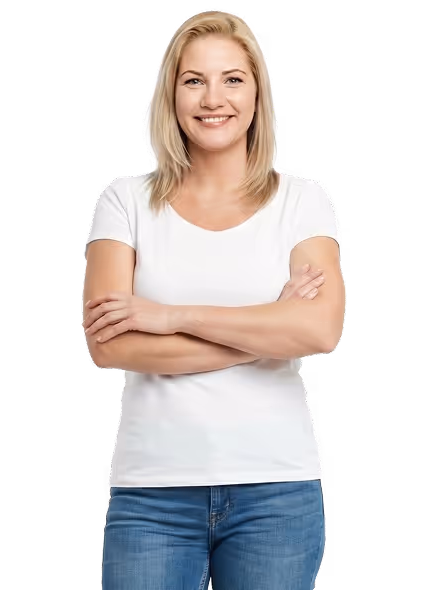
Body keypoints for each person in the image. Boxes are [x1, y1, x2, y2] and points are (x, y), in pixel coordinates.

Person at [82, 10, 345, 590]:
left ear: (257, 93)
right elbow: (109, 345)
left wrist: (169, 317)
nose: (212, 99)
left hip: (276, 491)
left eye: (232, 79)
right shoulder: (125, 201)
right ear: (171, 94)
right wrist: (266, 333)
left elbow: (320, 331)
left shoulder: (302, 201)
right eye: (194, 80)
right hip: (152, 495)